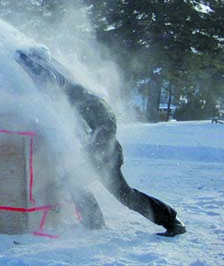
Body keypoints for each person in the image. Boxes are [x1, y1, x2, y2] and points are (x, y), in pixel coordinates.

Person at [16, 48, 186, 237]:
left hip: (104, 156)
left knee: (121, 194)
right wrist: (35, 59)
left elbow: (51, 79)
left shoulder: (89, 104)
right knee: (77, 183)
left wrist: (25, 62)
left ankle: (171, 220)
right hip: (98, 154)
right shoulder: (76, 96)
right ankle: (94, 223)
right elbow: (55, 75)